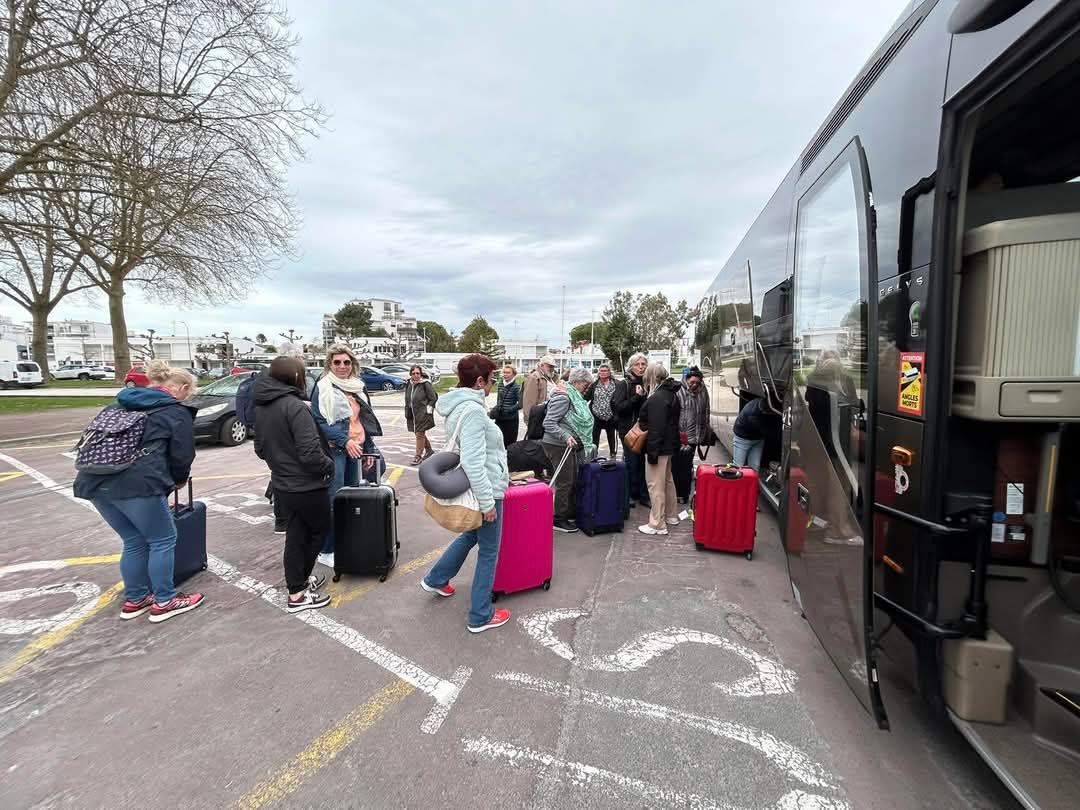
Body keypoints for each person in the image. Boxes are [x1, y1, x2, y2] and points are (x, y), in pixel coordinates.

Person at [73, 360, 205, 623]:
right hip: (138, 484)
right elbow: (182, 456)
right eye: (188, 392)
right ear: (181, 387)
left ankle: (136, 599)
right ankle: (165, 600)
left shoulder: (118, 405)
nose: (187, 397)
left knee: (133, 540)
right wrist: (177, 481)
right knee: (163, 539)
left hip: (93, 481)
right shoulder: (174, 412)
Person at [420, 354, 512, 633]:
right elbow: (473, 462)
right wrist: (487, 503)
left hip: (479, 485)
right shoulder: (473, 411)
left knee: (472, 535)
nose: (493, 384)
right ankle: (480, 615)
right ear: (480, 381)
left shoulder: (460, 405)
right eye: (492, 379)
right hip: (486, 488)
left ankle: (436, 578)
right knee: (489, 551)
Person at [254, 357, 335, 612]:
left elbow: (260, 449)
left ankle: (298, 583)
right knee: (316, 533)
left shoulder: (263, 406)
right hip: (306, 485)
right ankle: (297, 593)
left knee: (297, 535)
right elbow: (310, 453)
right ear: (297, 377)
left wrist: (281, 463)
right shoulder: (295, 407)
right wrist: (328, 465)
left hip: (283, 484)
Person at [312, 344, 381, 567]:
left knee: (353, 499)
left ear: (353, 364)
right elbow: (320, 421)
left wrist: (368, 448)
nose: (342, 366)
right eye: (337, 362)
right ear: (329, 364)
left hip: (356, 448)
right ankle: (327, 550)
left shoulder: (358, 387)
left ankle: (347, 541)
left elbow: (364, 420)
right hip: (337, 450)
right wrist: (345, 441)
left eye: (346, 362)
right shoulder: (323, 387)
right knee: (335, 500)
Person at [541, 366, 595, 533]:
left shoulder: (573, 396)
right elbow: (548, 422)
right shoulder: (564, 397)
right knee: (565, 482)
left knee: (570, 479)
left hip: (567, 445)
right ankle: (559, 519)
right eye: (585, 384)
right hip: (558, 445)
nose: (587, 388)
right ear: (577, 382)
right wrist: (565, 436)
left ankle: (567, 512)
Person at [638, 363, 682, 535]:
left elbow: (656, 428)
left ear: (651, 378)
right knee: (668, 481)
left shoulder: (657, 398)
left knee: (655, 485)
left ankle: (657, 524)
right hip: (668, 446)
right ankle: (671, 516)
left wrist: (652, 453)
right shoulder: (671, 394)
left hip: (659, 447)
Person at [612, 352, 649, 507]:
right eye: (637, 364)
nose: (641, 367)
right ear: (631, 367)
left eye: (643, 364)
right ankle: (629, 495)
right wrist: (637, 397)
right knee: (632, 464)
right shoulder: (624, 384)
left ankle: (642, 495)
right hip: (629, 431)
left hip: (645, 430)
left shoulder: (648, 383)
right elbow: (620, 407)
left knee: (643, 464)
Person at [676, 366, 712, 503]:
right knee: (682, 467)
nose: (695, 385)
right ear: (687, 380)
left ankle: (683, 492)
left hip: (696, 436)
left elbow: (706, 410)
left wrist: (706, 430)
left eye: (697, 382)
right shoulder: (679, 390)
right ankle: (682, 495)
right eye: (692, 382)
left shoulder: (703, 390)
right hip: (682, 436)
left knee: (687, 464)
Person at [405, 364, 438, 465]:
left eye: (418, 373)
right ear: (410, 374)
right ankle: (429, 450)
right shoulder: (409, 383)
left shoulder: (425, 384)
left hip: (422, 413)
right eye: (413, 373)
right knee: (419, 433)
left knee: (419, 434)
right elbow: (407, 398)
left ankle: (418, 456)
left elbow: (433, 398)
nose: (416, 375)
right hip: (412, 413)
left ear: (421, 374)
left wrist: (428, 410)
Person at [586, 363, 618, 457]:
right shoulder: (594, 385)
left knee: (611, 435)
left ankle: (613, 453)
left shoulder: (616, 384)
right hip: (596, 415)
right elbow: (586, 397)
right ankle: (594, 455)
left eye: (605, 371)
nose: (602, 373)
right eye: (601, 371)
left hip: (611, 415)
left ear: (609, 372)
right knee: (595, 436)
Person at [732, 397, 769, 471]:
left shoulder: (759, 403)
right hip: (742, 439)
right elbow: (763, 430)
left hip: (758, 440)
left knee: (755, 466)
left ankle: (751, 478)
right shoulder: (752, 414)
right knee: (738, 466)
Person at [521, 354, 556, 428]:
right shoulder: (534, 378)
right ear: (542, 365)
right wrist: (531, 421)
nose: (552, 368)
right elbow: (528, 402)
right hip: (538, 419)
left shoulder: (549, 377)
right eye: (549, 366)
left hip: (547, 418)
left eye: (553, 366)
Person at [492, 364, 522, 448]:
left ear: (514, 374)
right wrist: (497, 409)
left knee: (510, 443)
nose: (505, 374)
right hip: (500, 418)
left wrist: (510, 410)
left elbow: (521, 403)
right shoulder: (500, 384)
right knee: (497, 440)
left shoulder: (516, 387)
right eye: (504, 372)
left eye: (508, 372)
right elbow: (498, 399)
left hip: (511, 419)